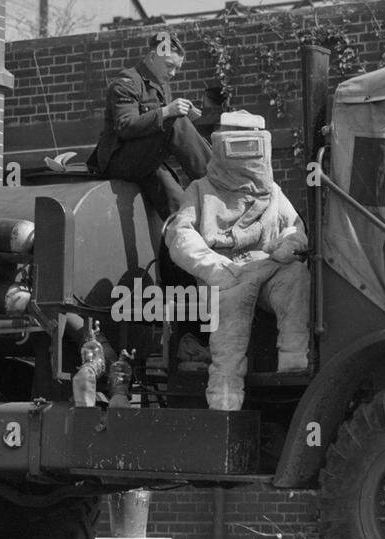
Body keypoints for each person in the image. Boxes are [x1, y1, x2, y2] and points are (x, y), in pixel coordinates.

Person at [165, 128, 310, 411]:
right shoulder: (200, 189)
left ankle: (294, 356)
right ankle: (225, 391)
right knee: (232, 305)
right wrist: (214, 266)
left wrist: (286, 245)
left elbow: (296, 228)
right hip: (221, 271)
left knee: (296, 276)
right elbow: (180, 235)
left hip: (265, 265)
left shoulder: (272, 191)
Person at [92, 31, 212, 219]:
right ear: (152, 57)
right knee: (177, 121)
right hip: (119, 161)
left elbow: (160, 129)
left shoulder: (161, 84)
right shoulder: (127, 82)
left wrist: (178, 115)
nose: (173, 73)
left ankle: (177, 245)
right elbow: (126, 126)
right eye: (169, 66)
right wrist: (167, 112)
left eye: (177, 68)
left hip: (146, 161)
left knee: (180, 210)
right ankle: (216, 181)